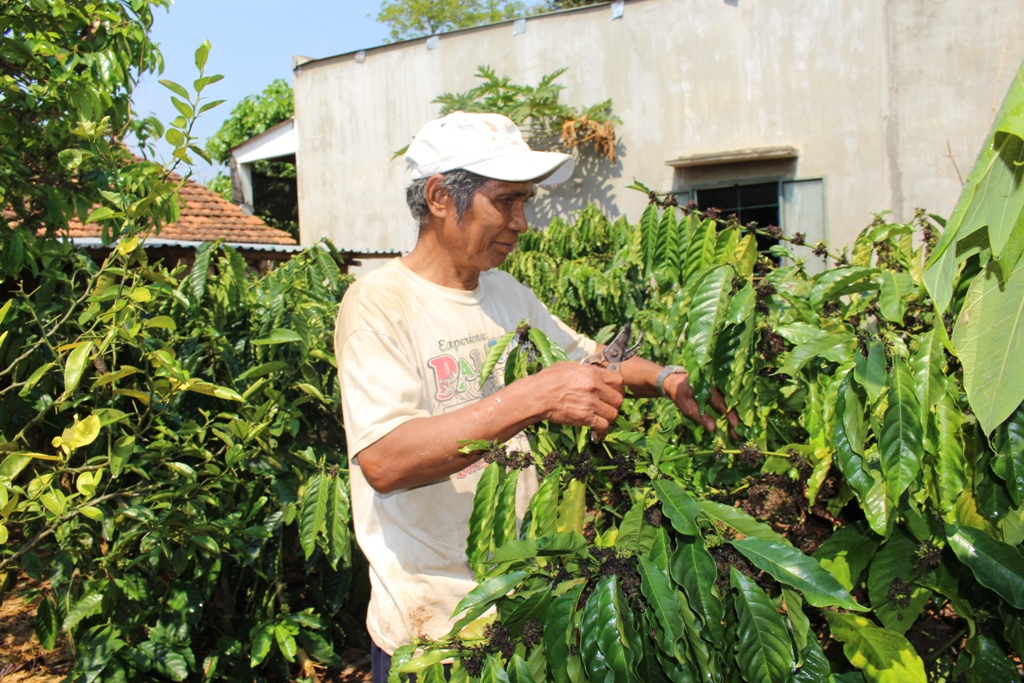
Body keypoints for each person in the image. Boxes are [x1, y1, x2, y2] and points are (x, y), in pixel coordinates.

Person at [334, 112, 734, 682]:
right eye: (506, 202)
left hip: (528, 608)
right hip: (436, 629)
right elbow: (386, 460)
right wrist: (532, 396)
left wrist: (670, 380)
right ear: (441, 196)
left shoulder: (504, 293)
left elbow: (594, 360)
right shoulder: (379, 305)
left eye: (526, 202)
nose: (523, 223)